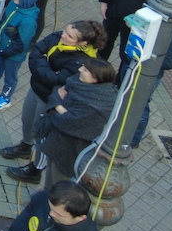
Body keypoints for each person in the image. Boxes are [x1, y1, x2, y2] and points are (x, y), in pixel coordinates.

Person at [0, 20, 106, 184]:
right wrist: (45, 66)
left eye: (69, 36)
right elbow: (36, 51)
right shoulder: (59, 38)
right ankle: (25, 146)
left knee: (41, 134)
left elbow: (54, 79)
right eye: (65, 31)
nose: (63, 35)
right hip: (36, 88)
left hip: (49, 100)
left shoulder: (82, 61)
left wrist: (41, 63)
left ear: (83, 43)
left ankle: (35, 170)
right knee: (27, 121)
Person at [20, 57, 119, 188]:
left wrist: (57, 105)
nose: (79, 70)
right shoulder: (78, 82)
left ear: (95, 78)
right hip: (58, 142)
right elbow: (58, 91)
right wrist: (61, 106)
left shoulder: (97, 105)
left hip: (71, 153)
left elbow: (67, 120)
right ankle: (45, 200)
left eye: (85, 69)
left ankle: (49, 204)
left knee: (58, 185)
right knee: (50, 174)